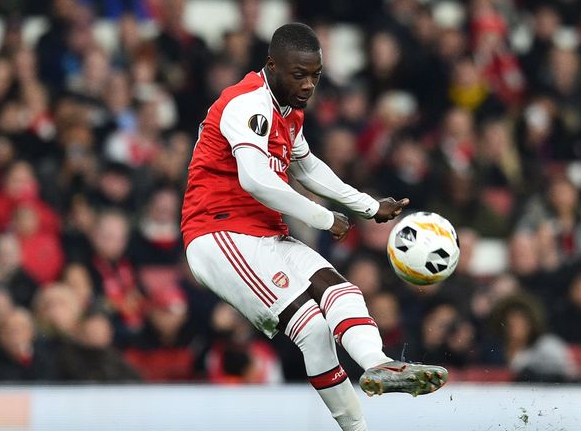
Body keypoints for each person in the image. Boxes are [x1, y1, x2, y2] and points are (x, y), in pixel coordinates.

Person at [181, 23, 447, 431]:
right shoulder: (246, 103)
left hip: (263, 234)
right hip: (218, 234)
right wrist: (321, 216)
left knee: (339, 290)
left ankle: (380, 365)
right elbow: (255, 179)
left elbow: (306, 166)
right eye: (298, 74)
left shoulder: (289, 112)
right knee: (311, 327)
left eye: (315, 76)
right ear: (271, 65)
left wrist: (367, 205)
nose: (308, 85)